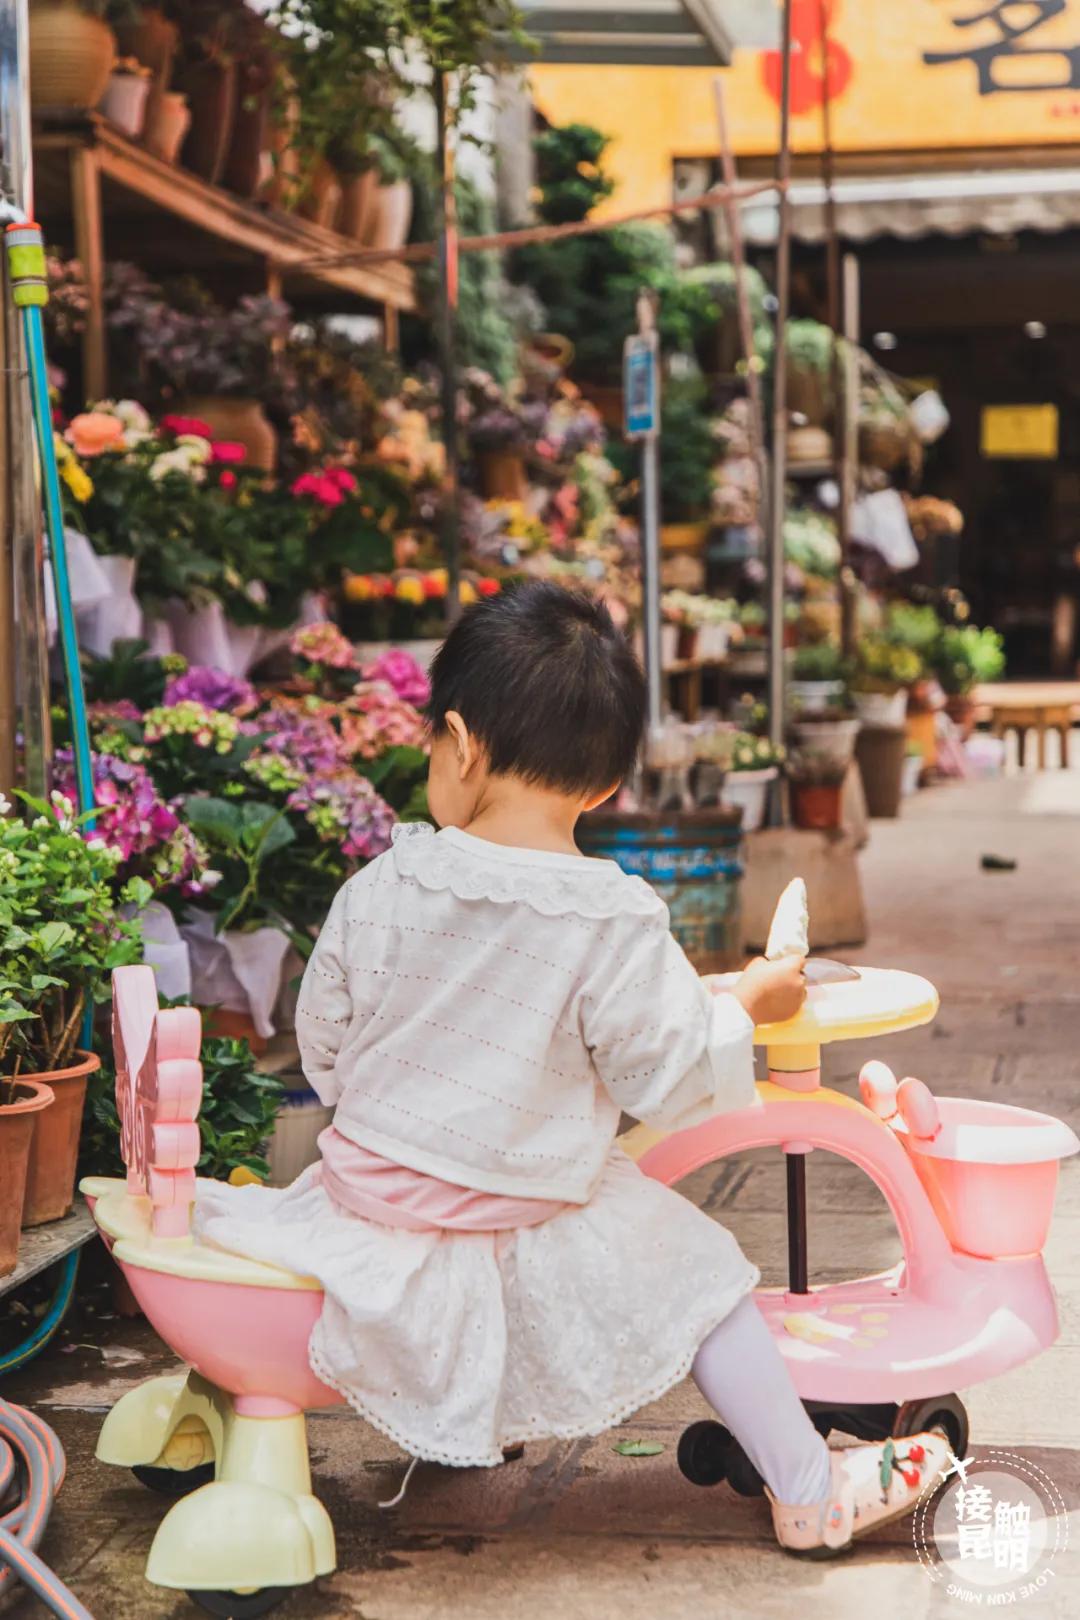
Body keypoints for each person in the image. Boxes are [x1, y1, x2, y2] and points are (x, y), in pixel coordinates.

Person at [197, 582, 947, 1553]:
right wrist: (749, 1006)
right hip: (524, 1208)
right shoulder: (611, 913)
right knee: (703, 1278)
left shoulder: (382, 883)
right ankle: (810, 1488)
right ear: (603, 787)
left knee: (577, 1204)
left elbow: (326, 1048)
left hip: (364, 1201)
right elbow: (665, 1075)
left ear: (458, 743)